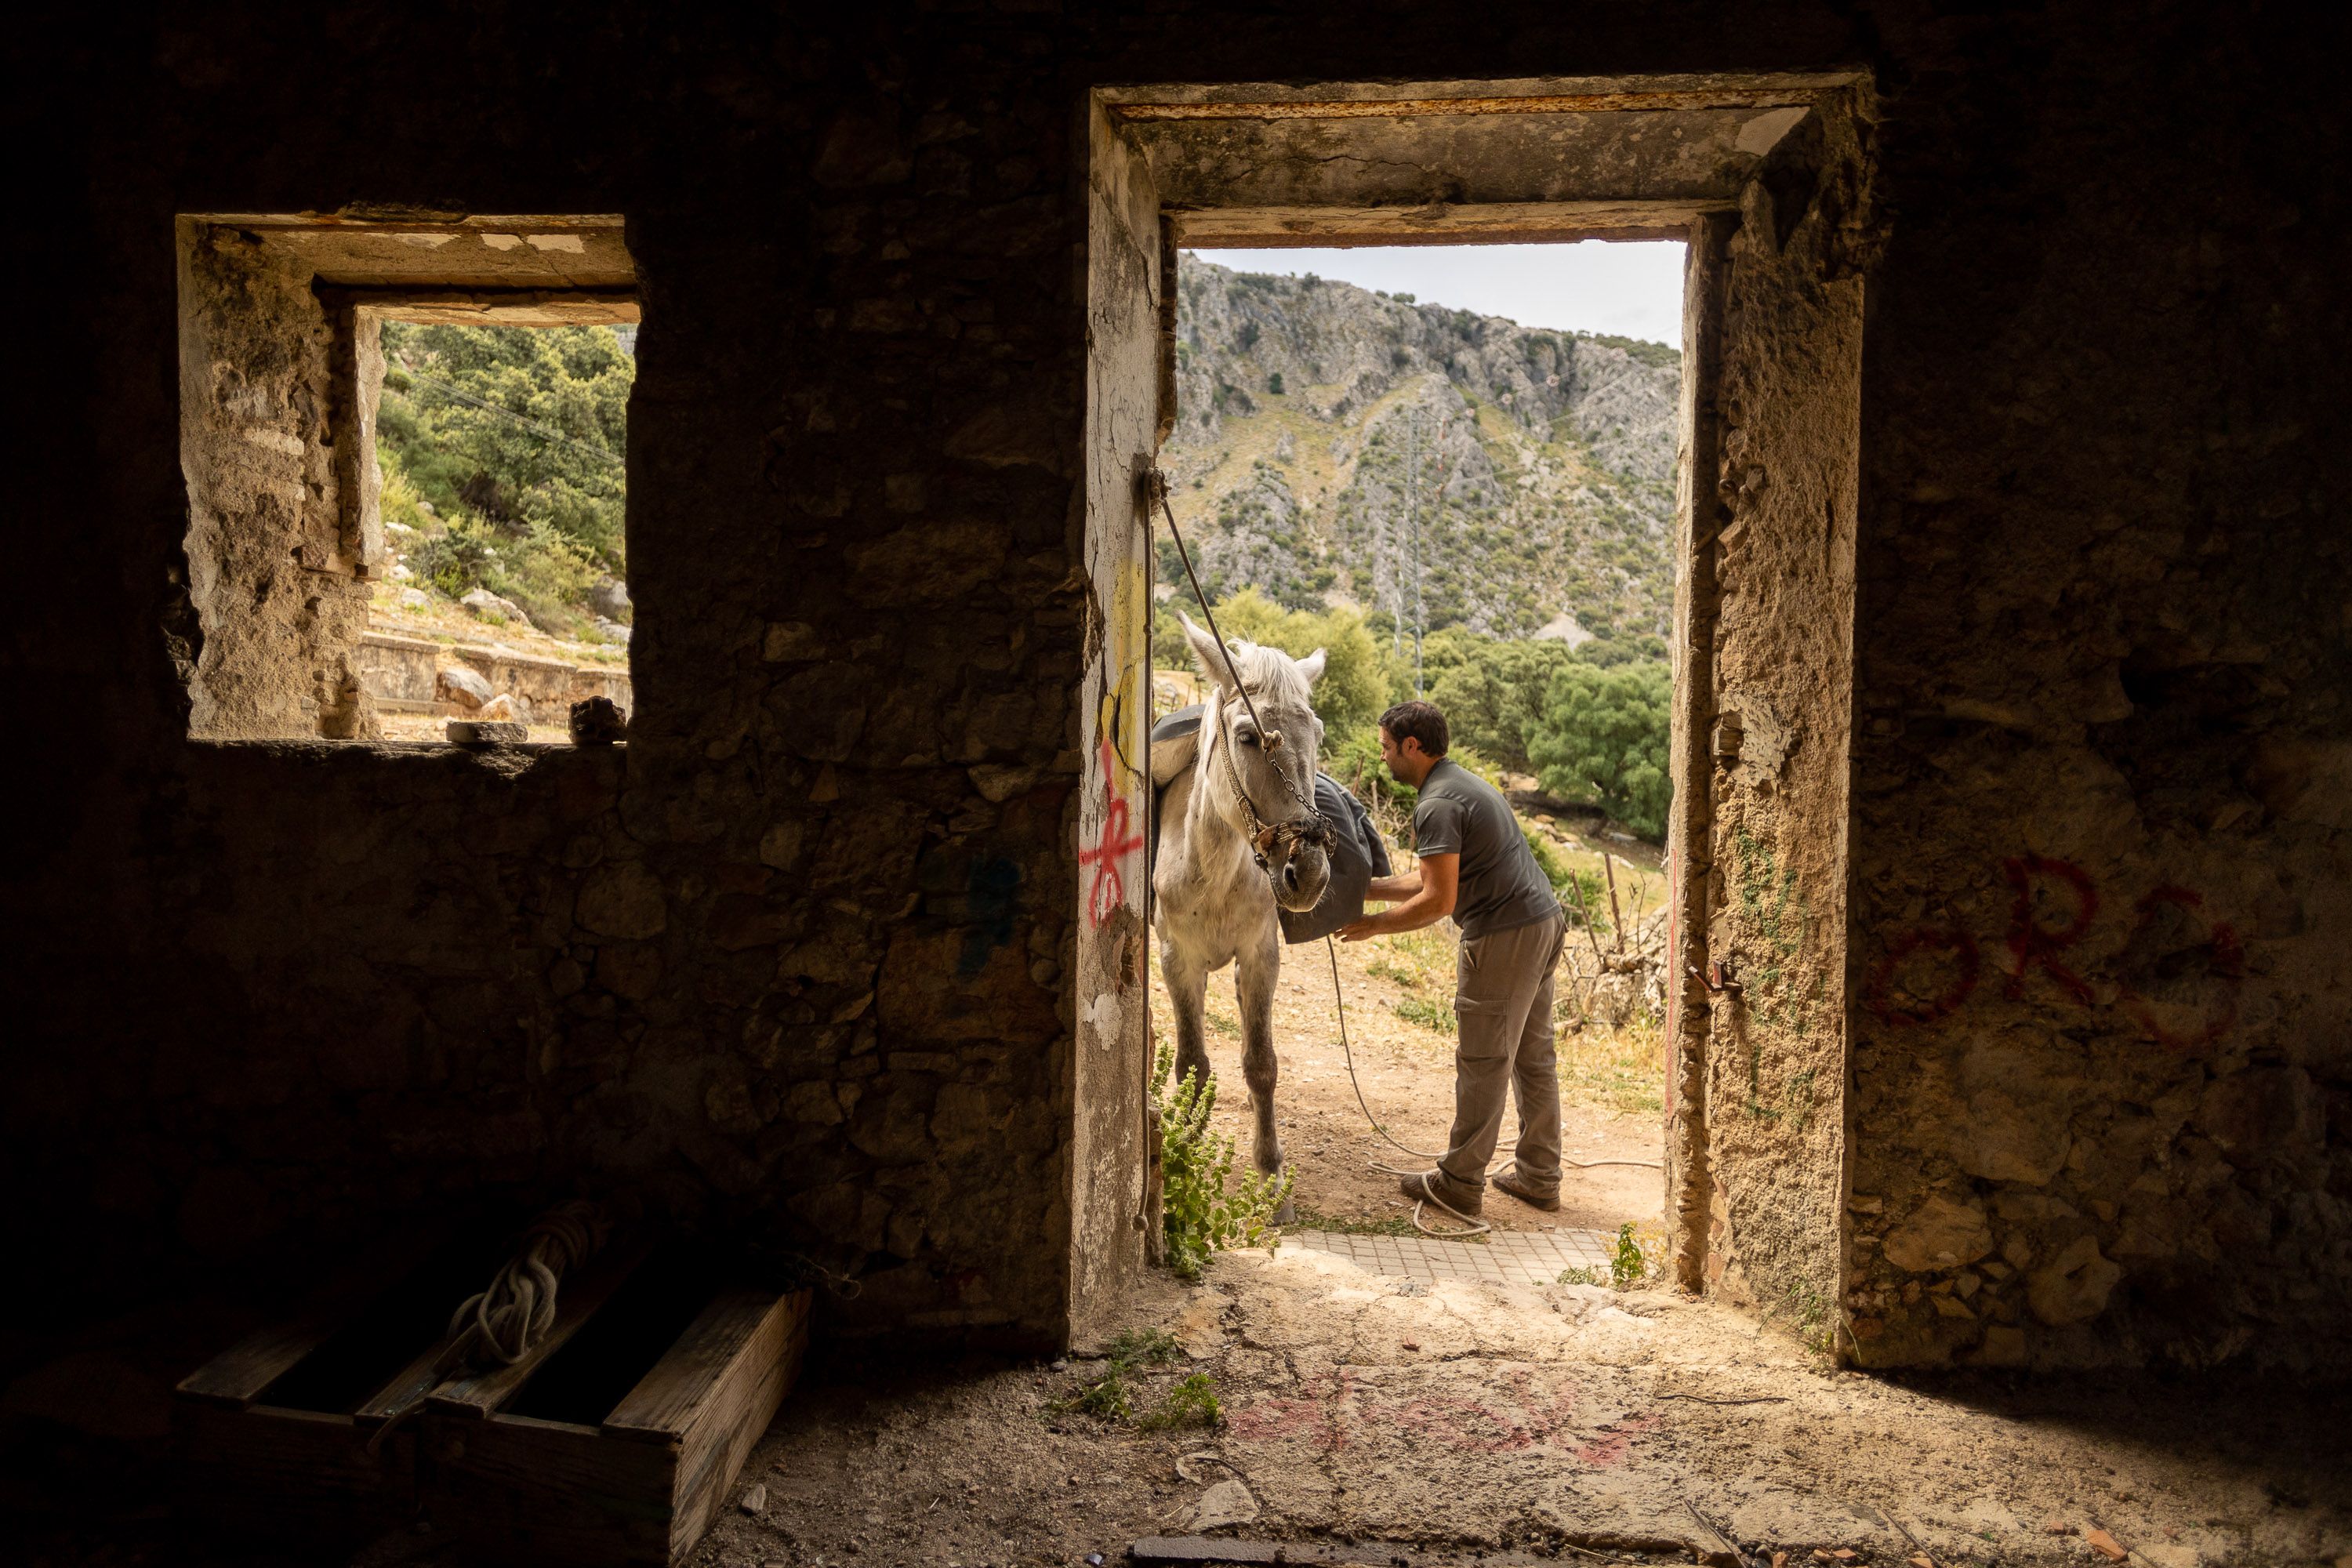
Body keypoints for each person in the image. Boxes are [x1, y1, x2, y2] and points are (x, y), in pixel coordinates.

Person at [1338, 699, 1567, 1217]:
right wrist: (1360, 891)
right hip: (1542, 922)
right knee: (1533, 1058)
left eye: (1386, 749)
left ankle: (1460, 1182)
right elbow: (1429, 879)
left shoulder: (1436, 804)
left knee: (1483, 1060)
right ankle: (1538, 1175)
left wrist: (1371, 927)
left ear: (1411, 747)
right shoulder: (1460, 784)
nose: (1382, 759)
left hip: (1505, 935)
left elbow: (1438, 902)